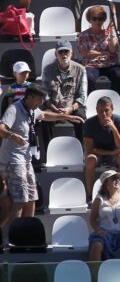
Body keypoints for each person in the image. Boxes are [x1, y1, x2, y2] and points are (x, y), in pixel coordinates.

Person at [0, 84, 82, 226]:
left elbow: (44, 115)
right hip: (13, 161)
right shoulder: (14, 109)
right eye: (38, 100)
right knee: (20, 200)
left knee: (32, 197)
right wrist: (13, 136)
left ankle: (28, 230)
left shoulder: (31, 109)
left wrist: (67, 116)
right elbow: (1, 129)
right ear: (29, 97)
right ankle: (14, 236)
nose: (41, 103)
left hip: (26, 160)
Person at [40, 40, 87, 148]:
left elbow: (82, 96)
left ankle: (82, 150)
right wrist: (54, 108)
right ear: (56, 54)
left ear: (71, 53)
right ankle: (48, 151)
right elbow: (45, 94)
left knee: (81, 118)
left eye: (66, 51)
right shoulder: (47, 70)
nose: (64, 55)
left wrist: (70, 109)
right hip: (53, 107)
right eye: (60, 52)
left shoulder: (81, 70)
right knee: (43, 119)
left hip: (73, 107)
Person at [84, 97, 120, 202]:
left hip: (115, 154)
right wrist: (111, 152)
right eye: (100, 111)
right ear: (96, 110)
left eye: (106, 110)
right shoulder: (89, 123)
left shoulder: (119, 121)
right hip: (97, 154)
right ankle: (90, 195)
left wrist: (113, 128)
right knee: (89, 159)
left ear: (112, 109)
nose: (103, 114)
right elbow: (90, 149)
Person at [88, 170, 120, 262]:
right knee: (96, 245)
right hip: (105, 233)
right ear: (106, 183)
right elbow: (92, 219)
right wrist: (98, 230)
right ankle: (95, 275)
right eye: (114, 178)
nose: (118, 180)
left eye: (119, 178)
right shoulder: (99, 199)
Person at [77, 5, 120, 94]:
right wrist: (105, 53)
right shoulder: (83, 35)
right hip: (91, 64)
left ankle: (113, 99)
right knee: (88, 78)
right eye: (94, 18)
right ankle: (93, 100)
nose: (97, 21)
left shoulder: (109, 33)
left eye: (100, 18)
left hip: (110, 64)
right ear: (89, 20)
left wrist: (111, 34)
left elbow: (113, 50)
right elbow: (85, 53)